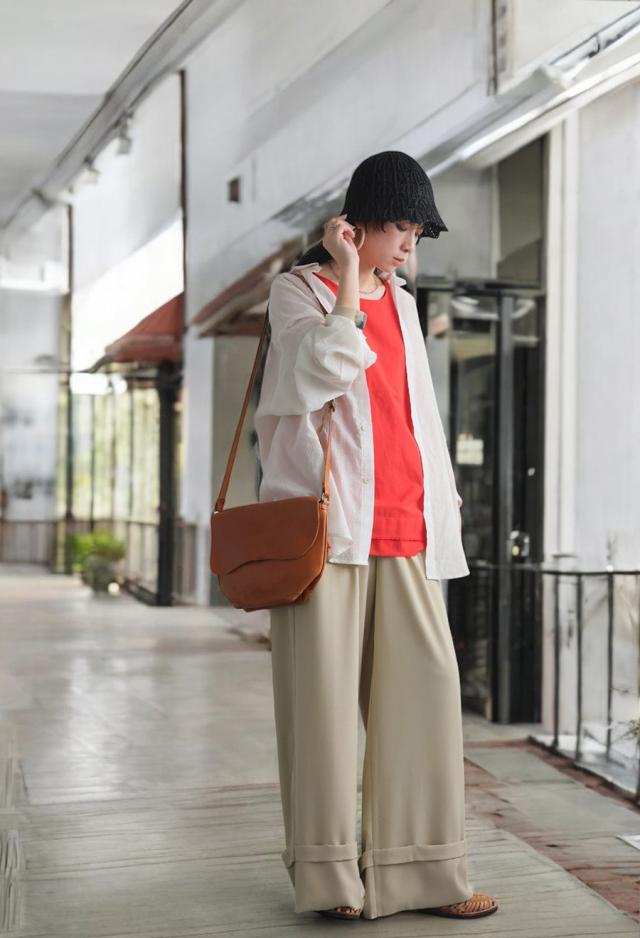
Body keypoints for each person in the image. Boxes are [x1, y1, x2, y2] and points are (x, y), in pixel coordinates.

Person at [253, 151, 498, 921]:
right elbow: (316, 374)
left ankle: (424, 872)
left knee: (427, 697)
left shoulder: (404, 303)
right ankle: (332, 881)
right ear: (357, 225)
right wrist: (349, 280)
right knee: (321, 713)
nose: (410, 246)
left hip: (408, 528)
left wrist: (442, 502)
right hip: (328, 534)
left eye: (419, 234)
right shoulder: (299, 291)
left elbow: (414, 416)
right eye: (402, 229)